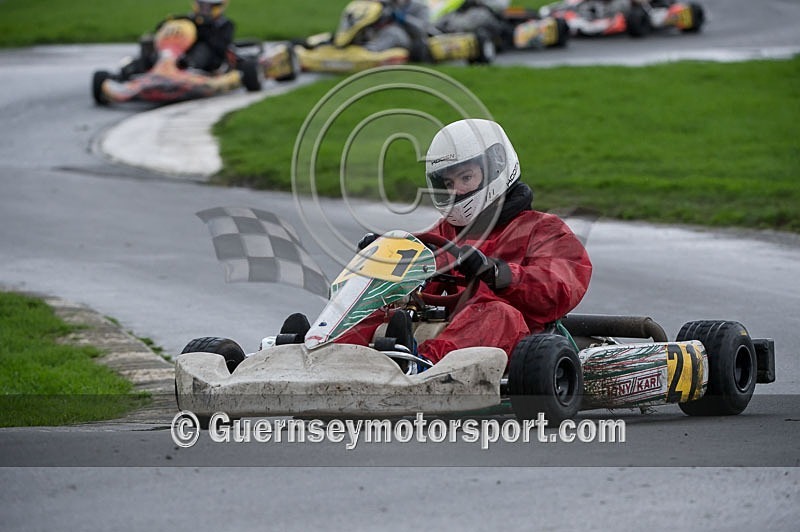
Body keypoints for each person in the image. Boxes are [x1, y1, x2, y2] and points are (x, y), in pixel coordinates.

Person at [283, 119, 593, 367]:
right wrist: (389, 263)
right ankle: (325, 357)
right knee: (384, 312)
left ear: (497, 167)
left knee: (498, 314)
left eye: (466, 178)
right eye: (448, 183)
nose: (456, 190)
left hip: (515, 336)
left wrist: (497, 273)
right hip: (441, 324)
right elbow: (419, 285)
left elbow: (561, 286)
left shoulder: (542, 229)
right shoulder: (444, 232)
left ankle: (423, 365)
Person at [118, 0, 235, 80]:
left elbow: (220, 47)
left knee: (202, 48)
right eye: (202, 5)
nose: (205, 9)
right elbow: (161, 27)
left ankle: (189, 69)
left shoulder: (224, 25)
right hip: (178, 55)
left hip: (207, 62)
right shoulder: (187, 19)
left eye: (209, 7)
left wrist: (203, 31)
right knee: (151, 42)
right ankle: (139, 67)